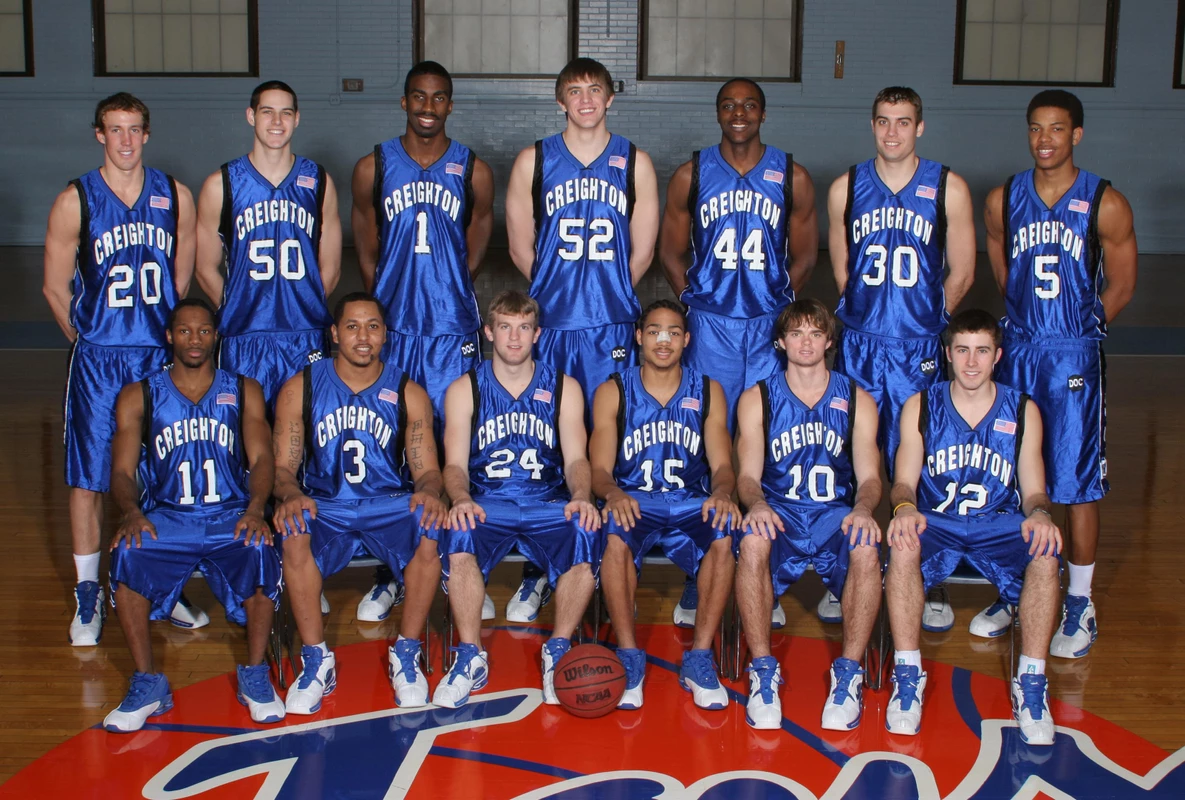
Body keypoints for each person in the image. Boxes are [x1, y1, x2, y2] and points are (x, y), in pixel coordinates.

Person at [981, 90, 1137, 655]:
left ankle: (1079, 601)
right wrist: (1029, 325)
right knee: (1009, 472)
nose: (1044, 139)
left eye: (1056, 128)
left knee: (1075, 482)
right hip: (1020, 349)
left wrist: (1077, 332)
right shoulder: (1002, 199)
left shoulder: (1105, 202)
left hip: (1072, 356)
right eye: (1035, 128)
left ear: (1077, 135)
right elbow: (1004, 270)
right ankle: (1015, 585)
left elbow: (1122, 284)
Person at [660, 77, 819, 629]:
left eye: (749, 105)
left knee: (767, 437)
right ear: (717, 113)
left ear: (763, 114)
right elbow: (670, 250)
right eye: (729, 105)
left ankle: (761, 568)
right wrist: (695, 300)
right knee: (708, 434)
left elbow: (806, 254)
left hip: (766, 323)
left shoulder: (792, 176)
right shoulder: (693, 173)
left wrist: (780, 305)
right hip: (712, 323)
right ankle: (700, 565)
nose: (739, 113)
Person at [42, 92, 200, 644]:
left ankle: (161, 584)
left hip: (156, 357)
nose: (126, 140)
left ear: (147, 134)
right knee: (88, 476)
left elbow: (180, 281)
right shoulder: (75, 200)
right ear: (99, 134)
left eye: (134, 129)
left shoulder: (175, 196)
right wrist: (92, 342)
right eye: (116, 129)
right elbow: (54, 288)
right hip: (99, 360)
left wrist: (151, 340)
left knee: (159, 471)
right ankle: (89, 593)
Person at [826, 86, 976, 632]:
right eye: (884, 121)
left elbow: (962, 271)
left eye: (904, 121)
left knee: (922, 462)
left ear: (920, 127)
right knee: (851, 457)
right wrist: (869, 321)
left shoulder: (948, 186)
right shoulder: (845, 187)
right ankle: (846, 571)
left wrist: (927, 325)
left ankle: (927, 577)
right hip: (862, 343)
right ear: (872, 125)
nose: (893, 132)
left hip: (919, 347)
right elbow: (842, 272)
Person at [350, 61, 495, 621]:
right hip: (395, 327)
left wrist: (453, 280)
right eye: (418, 96)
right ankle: (393, 571)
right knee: (394, 444)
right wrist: (384, 292)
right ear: (404, 102)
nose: (428, 107)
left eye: (438, 98)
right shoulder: (374, 166)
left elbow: (478, 232)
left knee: (456, 442)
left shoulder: (473, 169)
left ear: (450, 105)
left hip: (451, 326)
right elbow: (366, 240)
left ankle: (462, 565)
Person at [884, 309, 1063, 745]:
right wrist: (904, 507)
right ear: (947, 353)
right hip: (937, 522)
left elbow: (1035, 492)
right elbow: (903, 483)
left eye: (982, 351)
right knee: (903, 542)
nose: (971, 362)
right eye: (962, 350)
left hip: (998, 524)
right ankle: (907, 677)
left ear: (997, 356)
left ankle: (1031, 684)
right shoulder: (920, 406)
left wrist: (1041, 514)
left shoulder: (1023, 410)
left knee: (1045, 549)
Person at [103, 299, 283, 732]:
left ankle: (255, 674)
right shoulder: (140, 394)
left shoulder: (244, 389)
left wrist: (256, 510)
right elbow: (122, 472)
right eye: (185, 331)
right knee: (128, 554)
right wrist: (130, 512)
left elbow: (262, 459)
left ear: (215, 335)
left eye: (204, 331)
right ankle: (148, 682)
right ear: (170, 336)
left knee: (260, 549)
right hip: (169, 515)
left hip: (230, 513)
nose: (195, 339)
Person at [271, 292, 447, 713]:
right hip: (324, 504)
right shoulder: (301, 387)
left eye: (372, 327)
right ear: (335, 334)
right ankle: (317, 660)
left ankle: (406, 652)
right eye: (352, 327)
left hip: (388, 503)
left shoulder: (408, 391)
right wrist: (291, 494)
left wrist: (428, 490)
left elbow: (428, 470)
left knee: (429, 526)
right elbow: (281, 470)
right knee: (293, 529)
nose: (363, 337)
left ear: (385, 334)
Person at [436, 290, 600, 708]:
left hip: (547, 501)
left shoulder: (564, 387)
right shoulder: (465, 388)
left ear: (537, 333)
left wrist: (582, 496)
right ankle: (471, 655)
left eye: (524, 327)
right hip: (487, 501)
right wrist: (460, 498)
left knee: (585, 527)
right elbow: (453, 465)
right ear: (489, 332)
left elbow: (576, 459)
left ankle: (558, 649)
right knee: (459, 531)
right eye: (505, 327)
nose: (514, 337)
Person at [734, 299, 883, 731]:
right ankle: (763, 670)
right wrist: (757, 504)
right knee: (752, 541)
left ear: (829, 342)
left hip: (834, 514)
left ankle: (848, 675)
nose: (806, 342)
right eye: (796, 333)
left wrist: (864, 508)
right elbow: (747, 477)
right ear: (781, 342)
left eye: (815, 334)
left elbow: (871, 478)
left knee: (866, 546)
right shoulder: (757, 398)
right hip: (779, 512)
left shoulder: (856, 398)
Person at [590, 300, 739, 711]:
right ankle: (628, 656)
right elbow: (599, 470)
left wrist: (723, 493)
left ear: (686, 340)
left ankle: (699, 658)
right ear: (639, 336)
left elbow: (723, 466)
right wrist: (612, 493)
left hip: (690, 501)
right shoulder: (613, 390)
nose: (663, 340)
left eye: (673, 332)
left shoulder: (708, 390)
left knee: (724, 533)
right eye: (654, 331)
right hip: (634, 500)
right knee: (614, 535)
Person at [195, 80, 341, 406]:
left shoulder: (319, 182)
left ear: (297, 119)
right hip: (244, 338)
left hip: (304, 334)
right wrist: (237, 307)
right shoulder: (222, 184)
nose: (277, 122)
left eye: (285, 113)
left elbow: (331, 266)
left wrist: (304, 305)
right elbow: (204, 267)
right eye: (267, 112)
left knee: (303, 430)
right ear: (251, 116)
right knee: (246, 431)